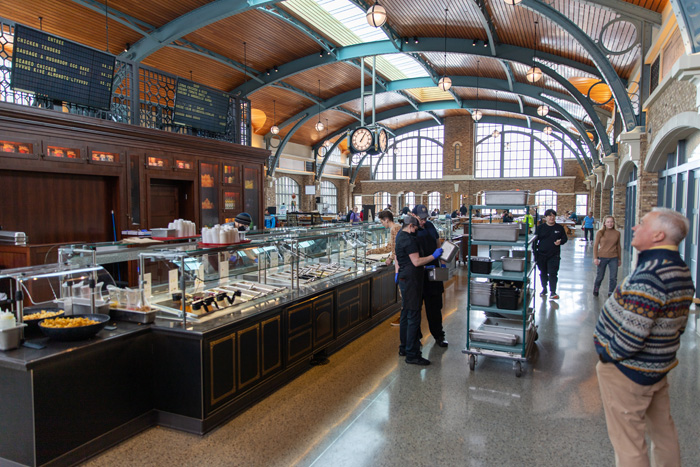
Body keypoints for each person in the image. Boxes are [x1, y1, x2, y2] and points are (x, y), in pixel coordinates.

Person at [594, 208, 695, 466]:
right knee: (663, 433)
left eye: (642, 224)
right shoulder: (679, 269)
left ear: (659, 235)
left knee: (628, 443)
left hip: (629, 372)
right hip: (657, 367)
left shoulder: (651, 274)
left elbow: (633, 334)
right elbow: (678, 324)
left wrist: (608, 354)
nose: (635, 228)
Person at [394, 215, 443, 365]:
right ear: (410, 226)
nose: (416, 230)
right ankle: (412, 354)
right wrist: (433, 257)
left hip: (406, 278)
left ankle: (404, 347)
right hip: (411, 281)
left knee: (406, 313)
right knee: (413, 315)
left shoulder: (400, 236)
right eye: (415, 227)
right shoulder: (408, 239)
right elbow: (416, 261)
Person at [412, 204, 448, 347]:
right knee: (416, 308)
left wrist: (442, 258)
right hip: (418, 273)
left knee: (435, 306)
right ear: (414, 216)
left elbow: (437, 242)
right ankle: (416, 337)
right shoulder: (412, 229)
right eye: (421, 218)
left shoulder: (431, 226)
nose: (423, 221)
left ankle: (439, 335)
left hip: (434, 272)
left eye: (425, 218)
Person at [534, 209, 567, 300]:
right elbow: (534, 241)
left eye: (553, 216)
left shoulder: (559, 228)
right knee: (543, 273)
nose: (551, 218)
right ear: (545, 217)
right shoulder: (540, 228)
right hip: (541, 255)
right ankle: (544, 288)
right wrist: (535, 254)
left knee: (553, 273)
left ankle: (553, 291)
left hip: (554, 255)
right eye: (549, 216)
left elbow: (565, 239)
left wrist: (560, 241)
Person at [592, 216, 621, 297]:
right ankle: (596, 288)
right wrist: (595, 258)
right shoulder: (600, 233)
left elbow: (618, 246)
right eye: (608, 222)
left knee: (613, 277)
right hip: (602, 257)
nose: (610, 223)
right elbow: (595, 245)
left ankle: (611, 292)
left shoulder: (617, 233)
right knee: (600, 276)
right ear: (604, 223)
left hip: (614, 257)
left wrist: (619, 259)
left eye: (611, 222)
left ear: (614, 223)